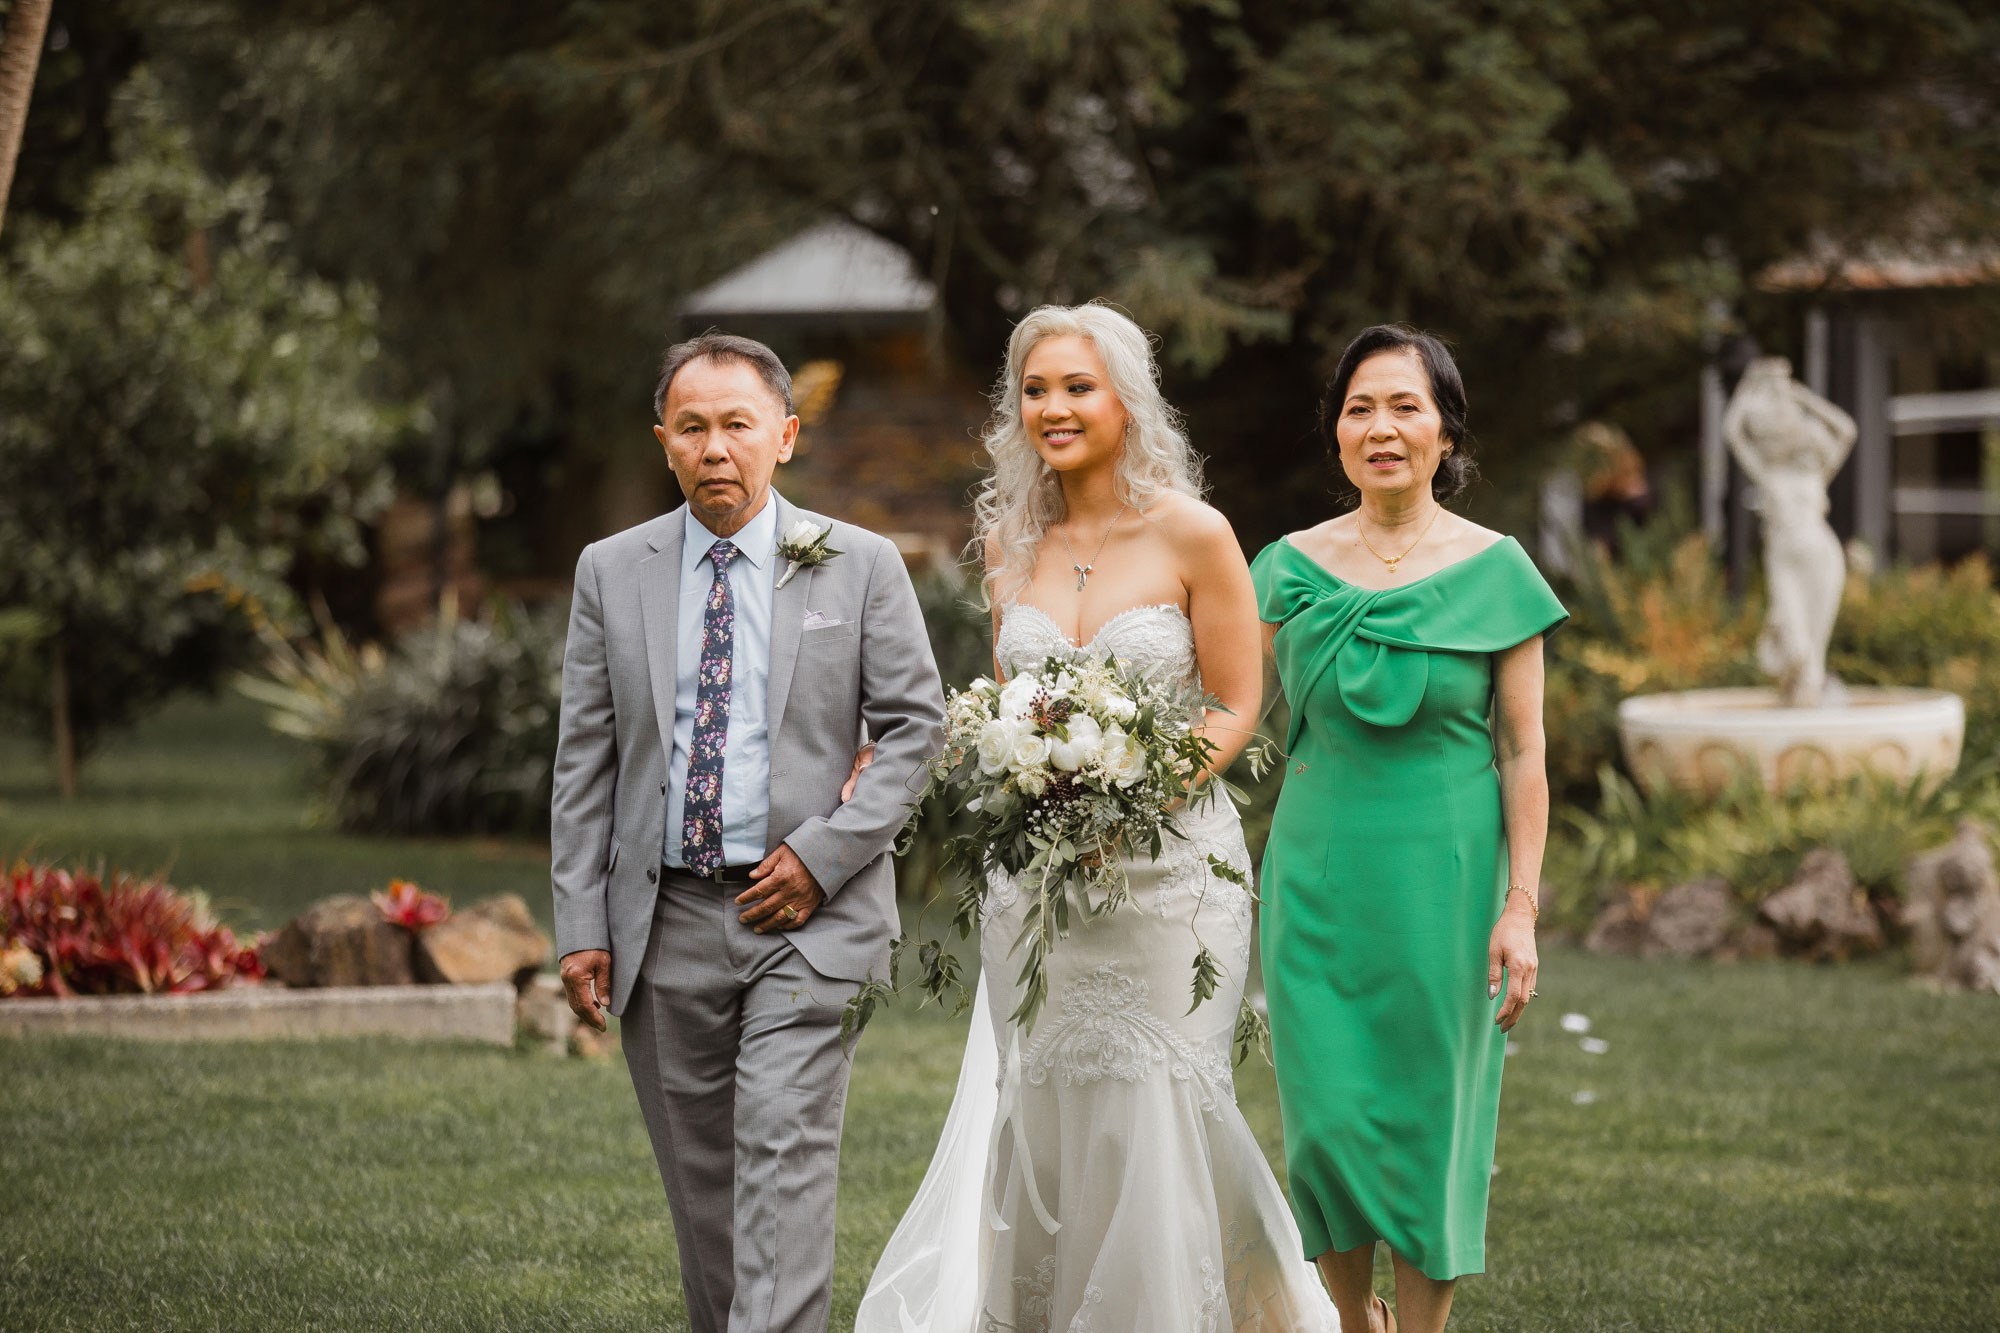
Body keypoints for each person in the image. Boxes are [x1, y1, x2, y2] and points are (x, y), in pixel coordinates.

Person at [856, 303, 1337, 1332]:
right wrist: (1023, 785)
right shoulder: (1007, 544)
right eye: (1035, 389)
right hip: (1035, 887)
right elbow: (1006, 705)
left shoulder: (1192, 531)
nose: (1054, 407)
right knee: (1047, 1099)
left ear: (1126, 399)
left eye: (1077, 387)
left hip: (1168, 881)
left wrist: (1139, 796)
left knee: (1160, 1099)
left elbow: (1234, 702)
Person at [549, 331, 945, 1333]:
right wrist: (580, 921)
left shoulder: (858, 565)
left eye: (736, 424)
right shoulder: (611, 570)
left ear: (784, 435)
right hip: (663, 916)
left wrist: (824, 856)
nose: (714, 446)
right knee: (704, 1193)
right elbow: (584, 756)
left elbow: (914, 727)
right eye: (692, 427)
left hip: (808, 922)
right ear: (663, 442)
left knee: (782, 1156)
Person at [1252, 325, 1567, 1333]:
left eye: (1403, 406)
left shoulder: (1496, 571)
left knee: (1433, 1132)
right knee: (1327, 1130)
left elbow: (1523, 751)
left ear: (1442, 430)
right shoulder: (1284, 571)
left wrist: (1519, 906)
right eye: (1358, 408)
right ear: (1335, 434)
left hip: (1449, 883)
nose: (1379, 427)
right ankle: (1353, 1322)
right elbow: (1226, 719)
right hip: (1315, 881)